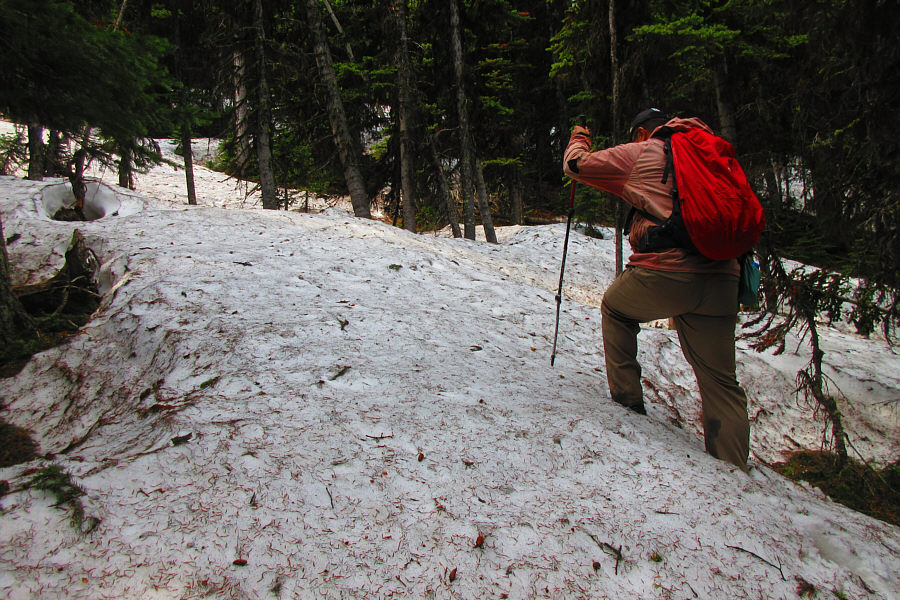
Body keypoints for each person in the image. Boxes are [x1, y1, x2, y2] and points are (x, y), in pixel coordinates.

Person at [562, 108, 750, 472]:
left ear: (642, 134)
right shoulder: (713, 155)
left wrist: (579, 136)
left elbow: (577, 166)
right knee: (721, 381)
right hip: (725, 276)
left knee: (616, 309)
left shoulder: (646, 152)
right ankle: (735, 472)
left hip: (669, 273)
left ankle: (628, 404)